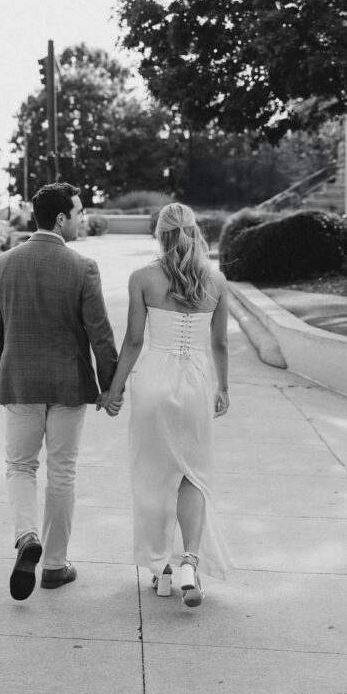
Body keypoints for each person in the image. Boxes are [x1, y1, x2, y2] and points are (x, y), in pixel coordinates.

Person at [0, 182, 119, 601]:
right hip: (68, 385)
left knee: (20, 467)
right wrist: (111, 386)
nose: (82, 219)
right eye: (78, 213)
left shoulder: (3, 264)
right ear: (61, 218)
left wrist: (1, 375)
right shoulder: (83, 267)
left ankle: (27, 537)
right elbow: (100, 334)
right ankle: (55, 566)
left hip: (20, 381)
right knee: (62, 473)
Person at [102, 202, 232, 608]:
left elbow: (135, 341)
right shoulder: (215, 281)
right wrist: (223, 388)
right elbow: (221, 343)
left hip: (154, 382)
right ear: (195, 232)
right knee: (193, 474)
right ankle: (190, 561)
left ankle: (161, 570)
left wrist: (115, 389)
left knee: (153, 477)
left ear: (159, 235)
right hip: (195, 385)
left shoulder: (142, 277)